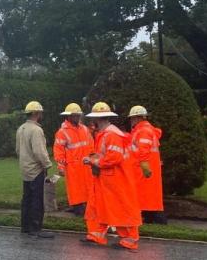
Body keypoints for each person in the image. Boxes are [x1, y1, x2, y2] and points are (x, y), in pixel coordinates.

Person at [82, 102, 142, 251]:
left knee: (121, 207)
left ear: (98, 119)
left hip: (115, 178)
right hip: (107, 177)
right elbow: (106, 154)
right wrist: (92, 159)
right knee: (99, 206)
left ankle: (129, 239)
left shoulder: (111, 135)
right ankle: (97, 235)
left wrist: (93, 161)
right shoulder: (105, 134)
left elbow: (114, 158)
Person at [15, 101, 54, 239]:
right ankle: (35, 227)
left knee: (26, 198)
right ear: (36, 113)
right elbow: (39, 152)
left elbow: (18, 150)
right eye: (40, 112)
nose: (41, 114)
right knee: (37, 199)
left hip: (25, 168)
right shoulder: (37, 130)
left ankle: (25, 226)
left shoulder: (21, 128)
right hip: (36, 170)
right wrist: (47, 164)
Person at [128, 105, 167, 224]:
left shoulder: (143, 131)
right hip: (148, 167)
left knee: (144, 195)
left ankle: (156, 219)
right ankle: (150, 218)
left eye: (132, 118)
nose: (131, 121)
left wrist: (144, 165)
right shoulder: (147, 130)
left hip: (143, 168)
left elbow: (143, 149)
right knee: (149, 196)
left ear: (137, 118)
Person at [53, 103, 93, 216]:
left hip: (86, 165)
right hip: (72, 166)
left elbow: (91, 145)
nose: (77, 117)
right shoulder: (62, 132)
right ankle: (78, 209)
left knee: (87, 187)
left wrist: (93, 160)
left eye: (78, 115)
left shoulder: (84, 129)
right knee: (75, 190)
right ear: (68, 116)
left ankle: (85, 207)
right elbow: (58, 151)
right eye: (74, 115)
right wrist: (61, 167)